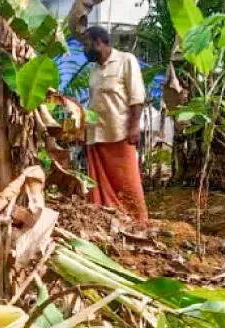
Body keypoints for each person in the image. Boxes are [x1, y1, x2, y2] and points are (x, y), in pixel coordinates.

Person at [84, 26, 149, 223]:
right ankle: (110, 221)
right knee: (100, 183)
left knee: (128, 182)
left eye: (86, 45)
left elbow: (137, 97)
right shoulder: (94, 72)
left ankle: (139, 222)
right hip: (96, 135)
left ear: (98, 42)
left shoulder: (125, 60)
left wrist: (134, 127)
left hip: (120, 132)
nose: (84, 50)